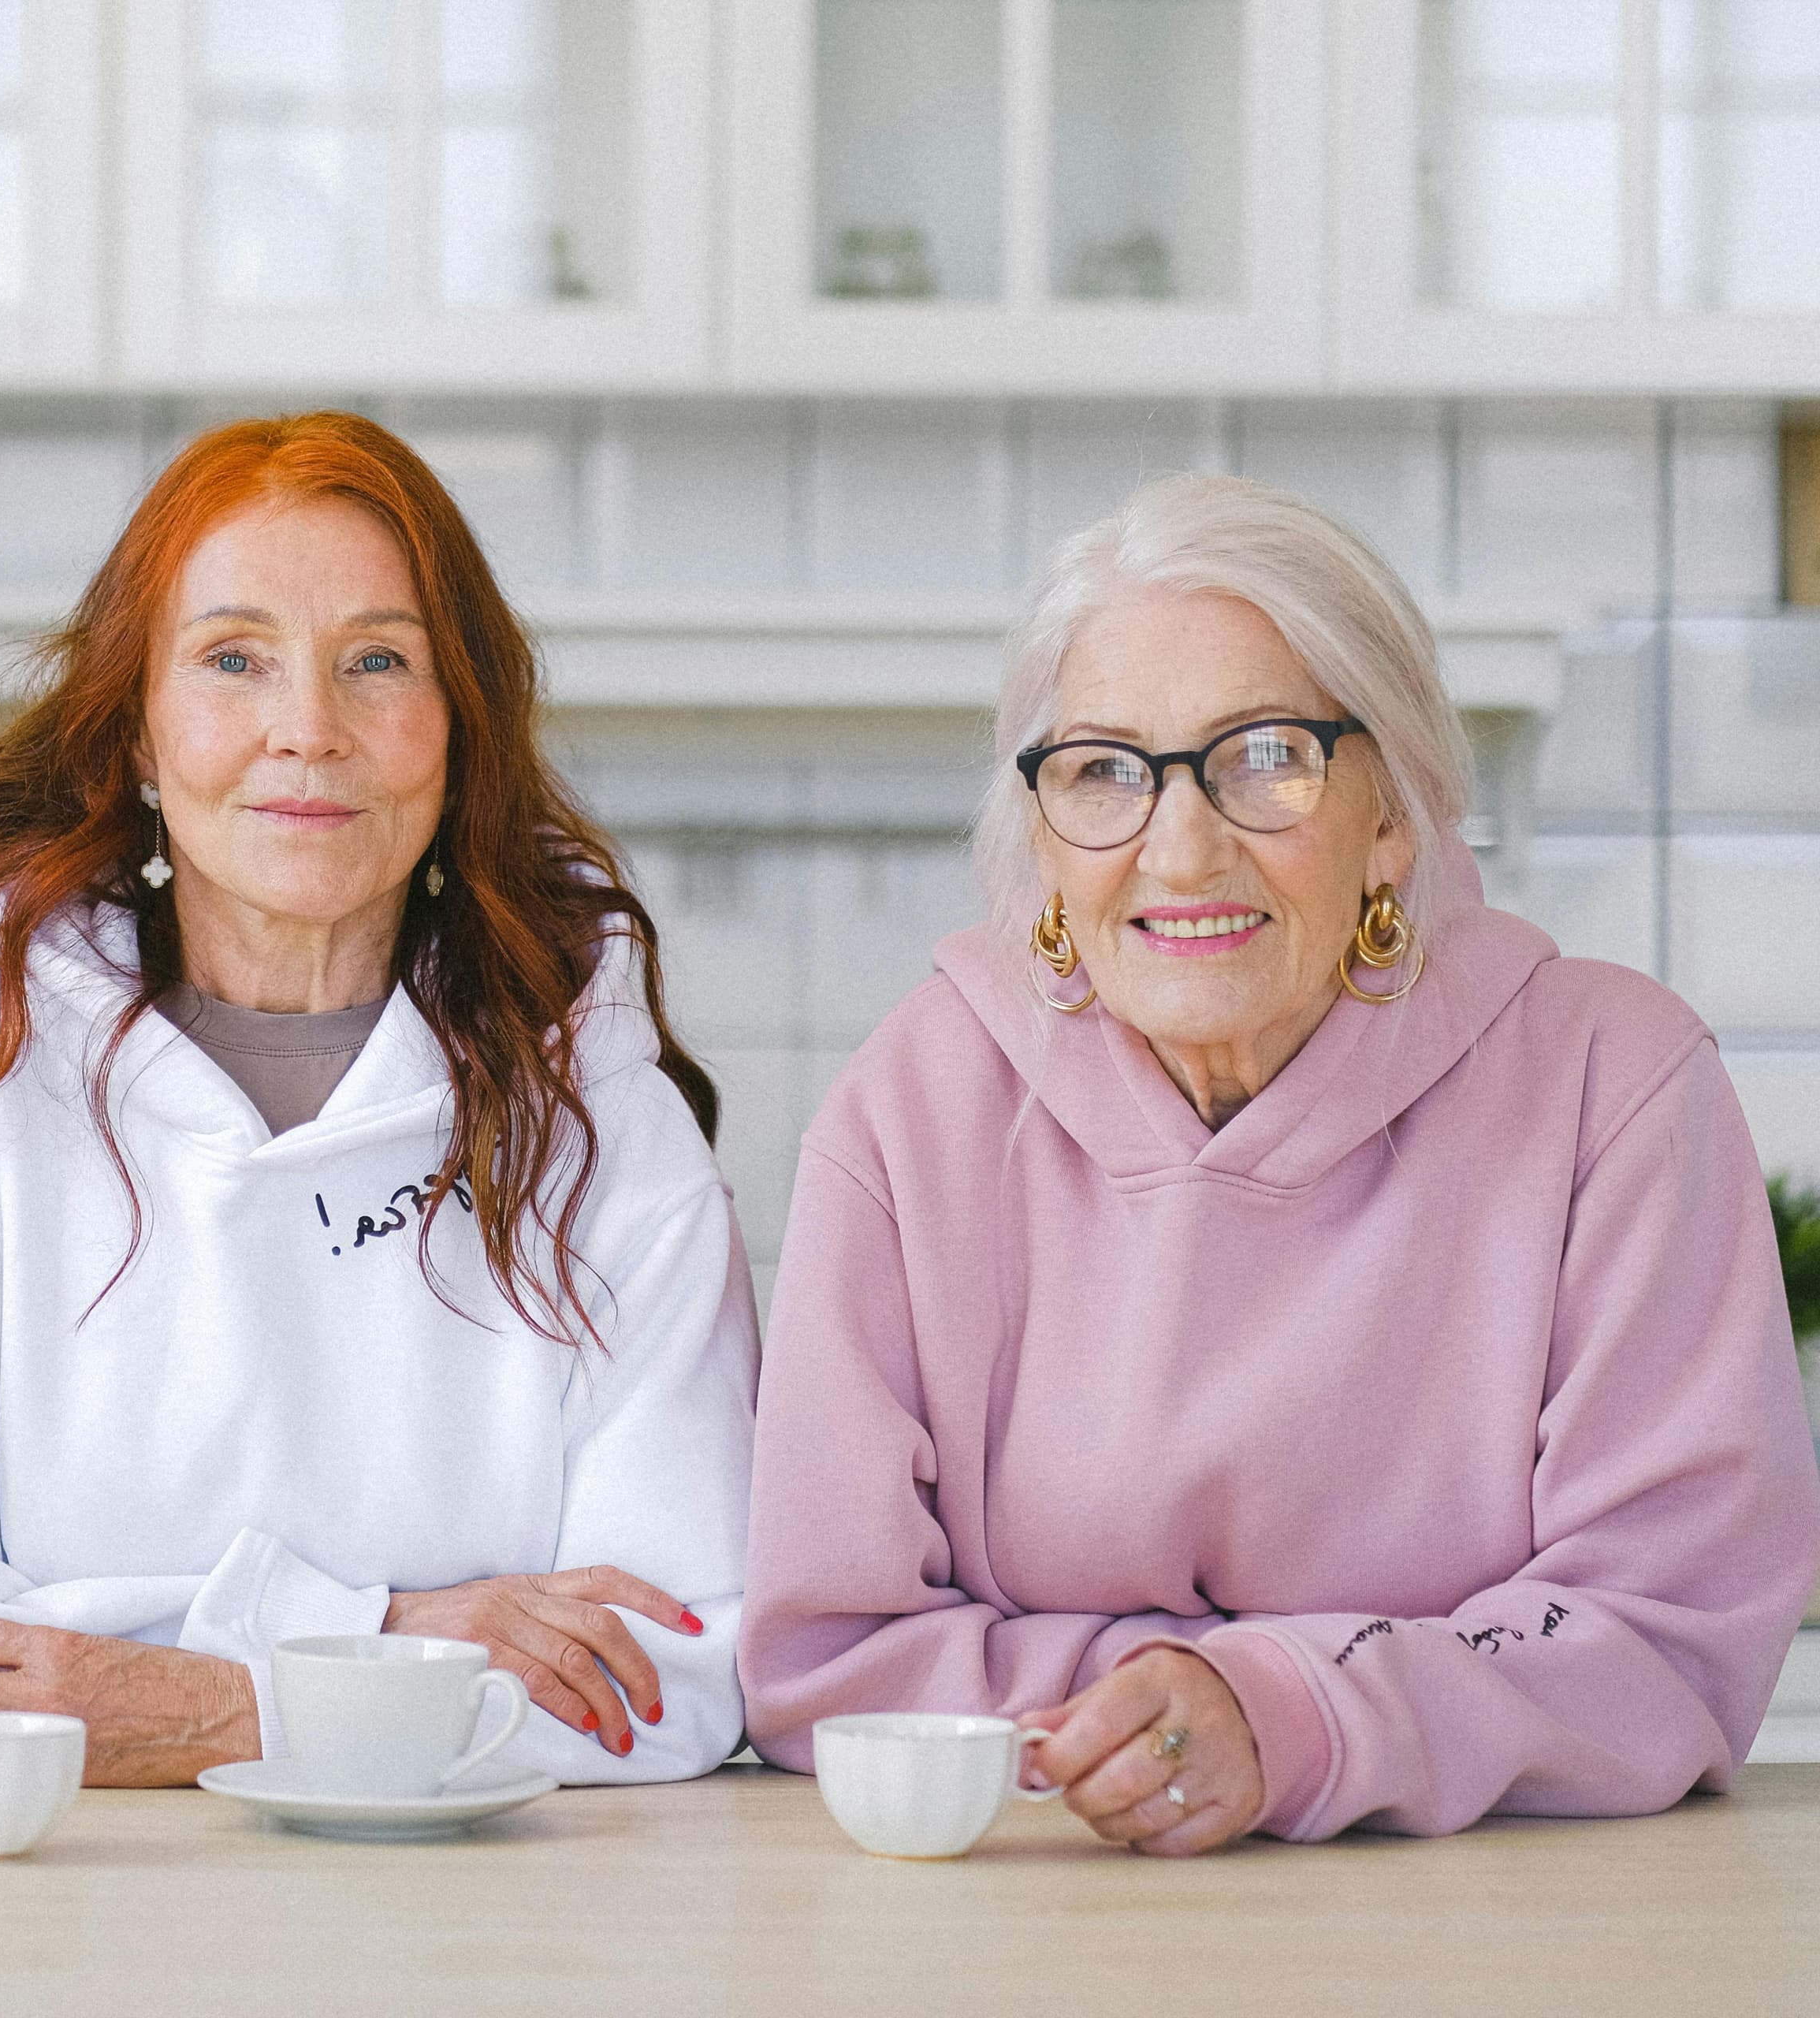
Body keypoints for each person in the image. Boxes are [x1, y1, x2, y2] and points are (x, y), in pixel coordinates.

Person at [739, 473, 1820, 1852]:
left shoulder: (1617, 1088)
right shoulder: (913, 1111)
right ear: (1043, 832)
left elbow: (1668, 1641)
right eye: (1104, 774)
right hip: (1035, 1902)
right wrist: (1194, 1711)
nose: (1180, 848)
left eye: (1265, 757)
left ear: (1393, 815)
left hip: (1501, 1939)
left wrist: (1285, 1712)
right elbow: (830, 1664)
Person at [0, 411, 756, 1785]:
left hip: (473, 1938)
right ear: (136, 733)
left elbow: (677, 1673)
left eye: (378, 662)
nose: (308, 732)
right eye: (234, 661)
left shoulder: (600, 1130)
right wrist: (384, 1637)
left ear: (460, 730)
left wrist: (220, 1707)